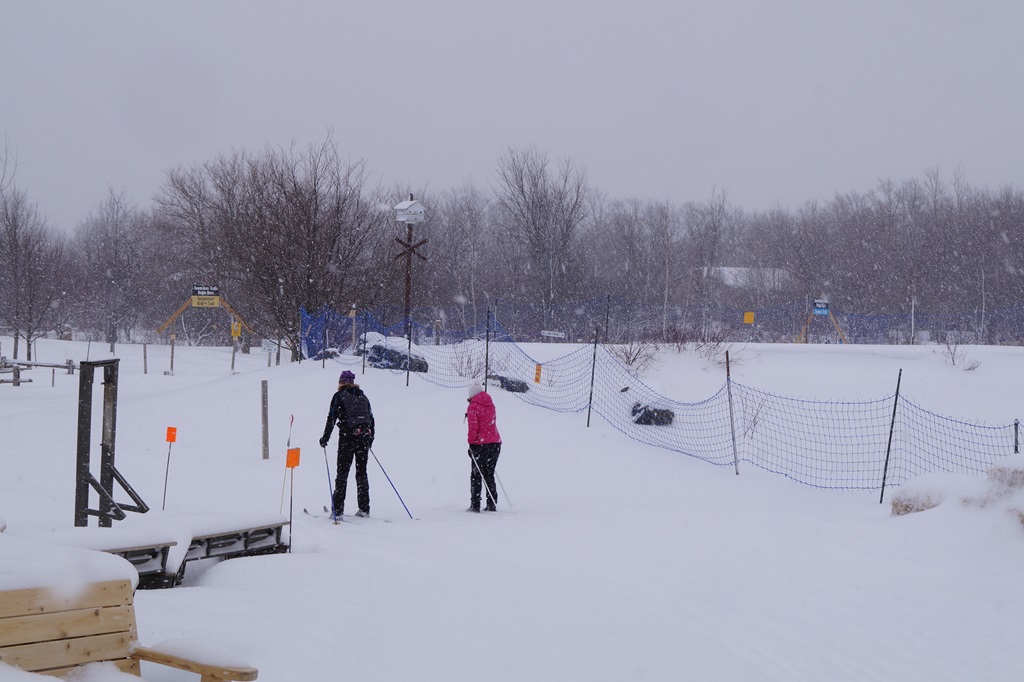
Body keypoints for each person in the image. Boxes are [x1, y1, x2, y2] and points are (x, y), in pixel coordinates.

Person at [320, 370, 375, 518]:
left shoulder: (339, 396)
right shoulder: (363, 396)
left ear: (341, 382)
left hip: (347, 438)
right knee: (361, 473)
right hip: (363, 438)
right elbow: (371, 418)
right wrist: (370, 440)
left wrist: (325, 438)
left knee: (342, 473)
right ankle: (364, 509)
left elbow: (331, 418)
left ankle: (337, 510)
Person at [466, 383, 501, 512]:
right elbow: (487, 422)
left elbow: (473, 428)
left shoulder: (472, 407)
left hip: (480, 445)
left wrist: (471, 444)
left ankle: (475, 505)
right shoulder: (491, 405)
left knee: (476, 475)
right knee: (489, 473)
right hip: (495, 444)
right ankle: (492, 503)